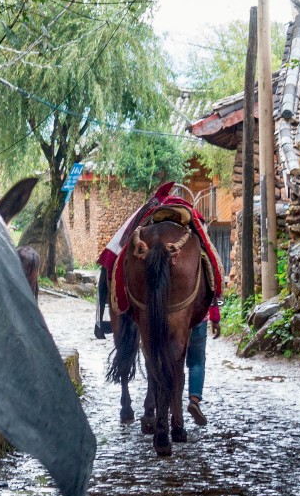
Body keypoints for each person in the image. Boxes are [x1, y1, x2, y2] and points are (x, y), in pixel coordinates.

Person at [94, 181, 224, 425]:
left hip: (143, 306)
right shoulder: (194, 222)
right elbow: (211, 268)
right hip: (195, 320)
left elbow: (113, 251)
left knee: (115, 260)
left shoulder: (140, 222)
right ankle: (186, 407)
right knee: (192, 359)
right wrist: (213, 311)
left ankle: (106, 309)